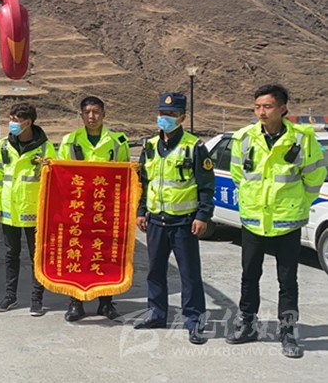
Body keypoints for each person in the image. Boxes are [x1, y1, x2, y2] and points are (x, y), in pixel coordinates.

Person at [225, 84, 326, 358]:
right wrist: (251, 202)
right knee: (249, 276)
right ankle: (247, 324)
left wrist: (298, 204)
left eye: (267, 107)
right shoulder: (244, 138)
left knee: (287, 281)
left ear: (282, 108)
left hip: (286, 221)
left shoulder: (302, 139)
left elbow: (315, 177)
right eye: (257, 107)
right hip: (254, 221)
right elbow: (238, 176)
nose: (261, 112)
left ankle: (288, 332)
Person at [134, 92, 214, 345]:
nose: (165, 118)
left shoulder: (194, 147)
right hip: (156, 221)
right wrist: (141, 211)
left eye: (170, 114)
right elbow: (144, 182)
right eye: (162, 113)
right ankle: (156, 314)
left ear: (182, 117)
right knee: (155, 271)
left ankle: (194, 321)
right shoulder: (149, 146)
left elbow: (206, 186)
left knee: (189, 275)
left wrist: (203, 216)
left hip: (183, 222)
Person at [57, 96, 129, 322]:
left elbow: (126, 176)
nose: (91, 116)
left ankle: (105, 303)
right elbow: (61, 175)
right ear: (81, 115)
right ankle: (75, 302)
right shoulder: (70, 141)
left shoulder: (118, 142)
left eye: (96, 112)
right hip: (78, 209)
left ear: (104, 114)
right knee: (76, 254)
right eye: (87, 112)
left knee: (105, 255)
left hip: (106, 210)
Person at [0, 102, 55, 317]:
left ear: (28, 122)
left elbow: (54, 180)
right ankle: (10, 296)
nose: (12, 124)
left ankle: (37, 299)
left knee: (37, 256)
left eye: (16, 120)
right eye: (11, 119)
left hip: (35, 212)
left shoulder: (45, 148)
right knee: (11, 255)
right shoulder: (4, 146)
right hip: (9, 211)